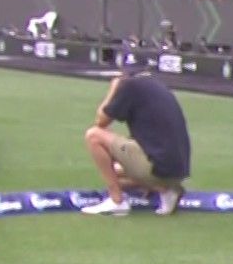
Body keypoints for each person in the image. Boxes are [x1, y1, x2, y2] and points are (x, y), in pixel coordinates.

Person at [81, 69, 191, 216]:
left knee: (94, 136)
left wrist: (114, 89)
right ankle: (167, 189)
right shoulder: (157, 86)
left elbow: (101, 121)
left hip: (157, 166)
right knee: (116, 173)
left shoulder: (130, 85)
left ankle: (116, 201)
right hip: (177, 170)